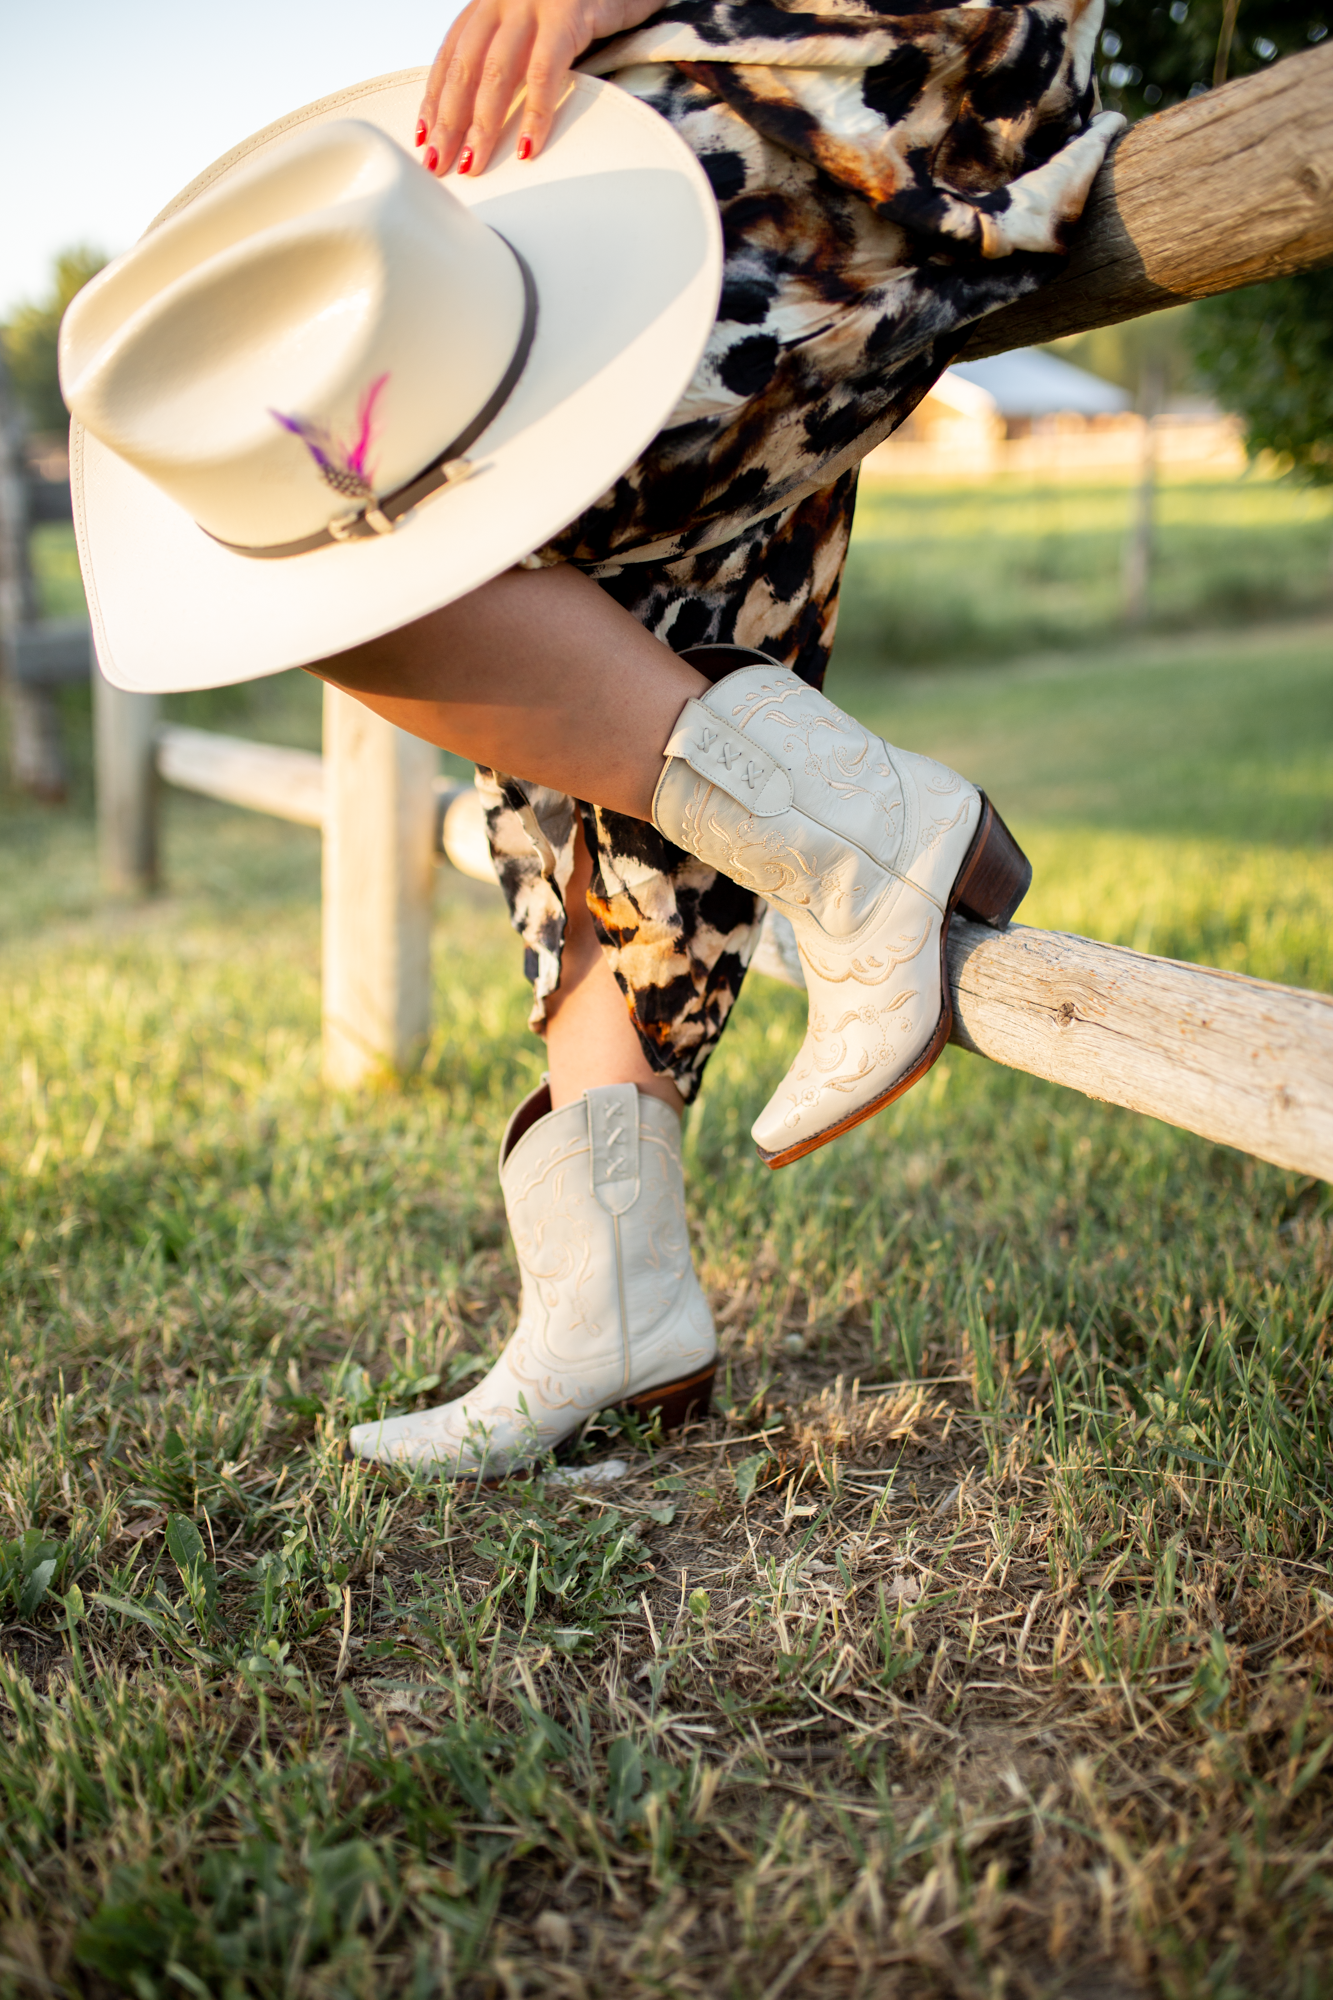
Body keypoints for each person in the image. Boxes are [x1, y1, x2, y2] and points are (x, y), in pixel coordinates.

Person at [61, 0, 1122, 1478]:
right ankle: (613, 1309)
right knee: (594, 590)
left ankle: (868, 839)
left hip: (839, 45)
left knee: (368, 544)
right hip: (678, 80)